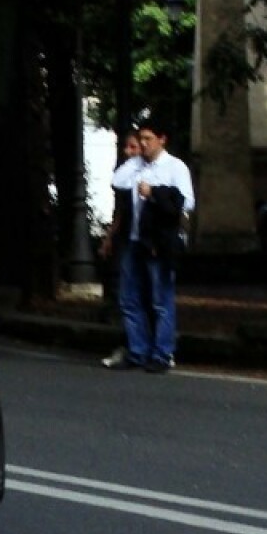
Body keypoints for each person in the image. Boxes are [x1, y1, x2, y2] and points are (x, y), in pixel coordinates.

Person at [108, 117, 195, 373]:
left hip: (158, 242)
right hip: (134, 240)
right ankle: (137, 350)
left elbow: (187, 202)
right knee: (129, 299)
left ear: (161, 139)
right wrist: (136, 160)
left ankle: (162, 353)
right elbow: (118, 181)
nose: (143, 144)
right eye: (141, 139)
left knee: (160, 299)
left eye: (148, 139)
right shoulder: (137, 166)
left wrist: (155, 192)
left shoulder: (174, 167)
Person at [99, 131, 143, 368]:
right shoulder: (127, 177)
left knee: (144, 295)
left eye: (134, 147)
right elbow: (121, 211)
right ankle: (128, 345)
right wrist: (109, 237)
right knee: (125, 295)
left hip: (144, 241)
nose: (128, 152)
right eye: (127, 147)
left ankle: (142, 346)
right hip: (127, 238)